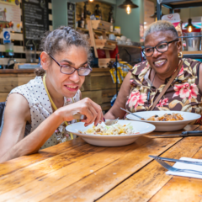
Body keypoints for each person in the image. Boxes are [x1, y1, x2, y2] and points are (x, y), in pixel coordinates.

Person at [0, 27, 103, 163]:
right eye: (66, 66)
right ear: (45, 61)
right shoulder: (21, 99)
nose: (76, 79)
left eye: (82, 68)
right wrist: (59, 116)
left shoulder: (74, 95)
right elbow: (3, 162)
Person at [105, 20, 202, 121]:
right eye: (149, 50)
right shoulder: (135, 74)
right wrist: (94, 129)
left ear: (178, 46)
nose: (155, 54)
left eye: (162, 46)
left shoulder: (196, 72)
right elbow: (113, 115)